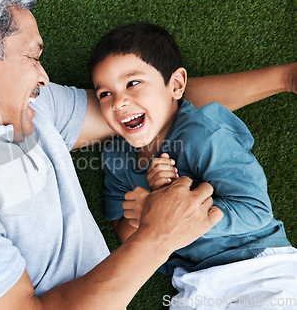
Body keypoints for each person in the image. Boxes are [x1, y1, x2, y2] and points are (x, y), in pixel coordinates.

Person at [0, 0, 296, 309]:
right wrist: (157, 235)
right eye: (33, 57)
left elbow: (157, 104)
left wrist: (283, 78)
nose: (43, 76)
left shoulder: (20, 107)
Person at [90, 22, 297, 309]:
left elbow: (256, 211)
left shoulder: (203, 135)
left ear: (175, 85)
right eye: (104, 94)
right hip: (195, 283)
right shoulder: (116, 157)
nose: (119, 102)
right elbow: (122, 228)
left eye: (132, 83)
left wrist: (171, 212)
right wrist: (146, 216)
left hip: (258, 268)